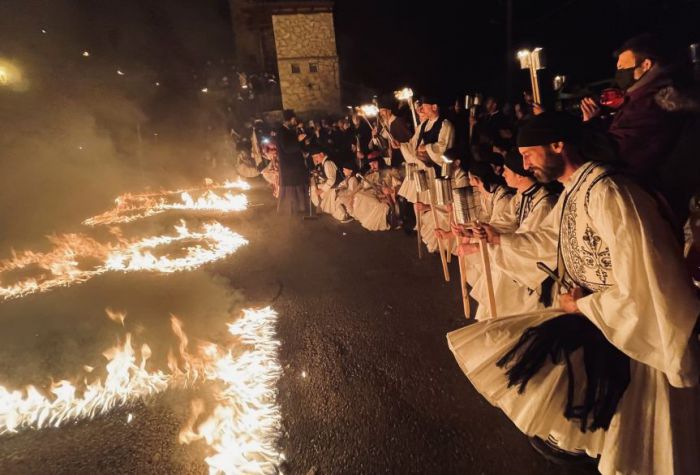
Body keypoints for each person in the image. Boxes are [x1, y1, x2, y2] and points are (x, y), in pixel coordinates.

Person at [448, 112, 700, 474]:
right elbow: (553, 243)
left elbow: (648, 281)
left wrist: (583, 303)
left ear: (558, 145)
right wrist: (496, 238)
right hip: (599, 320)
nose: (524, 164)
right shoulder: (575, 191)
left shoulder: (611, 193)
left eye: (530, 153)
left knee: (647, 445)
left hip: (636, 336)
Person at [463, 148, 560, 320]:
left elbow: (531, 241)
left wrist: (495, 239)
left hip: (534, 262)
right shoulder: (521, 195)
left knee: (499, 272)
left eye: (507, 170)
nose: (503, 174)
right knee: (494, 267)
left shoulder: (544, 203)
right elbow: (505, 221)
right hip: (517, 250)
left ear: (520, 175)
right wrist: (478, 231)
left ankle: (501, 321)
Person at [353, 152, 401, 231]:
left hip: (390, 195)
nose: (372, 166)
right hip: (377, 194)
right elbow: (364, 184)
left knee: (373, 202)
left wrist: (392, 189)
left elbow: (400, 184)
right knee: (360, 195)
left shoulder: (391, 170)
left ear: (380, 161)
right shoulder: (372, 171)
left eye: (374, 163)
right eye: (371, 165)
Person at [276, 110, 309, 215]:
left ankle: (300, 207)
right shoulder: (281, 131)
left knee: (298, 184)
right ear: (288, 120)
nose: (295, 121)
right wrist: (298, 140)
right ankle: (290, 209)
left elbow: (295, 145)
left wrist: (302, 145)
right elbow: (287, 148)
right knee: (291, 187)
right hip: (288, 166)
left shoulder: (290, 130)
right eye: (294, 119)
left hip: (295, 165)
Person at [309, 146, 352, 223]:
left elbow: (331, 179)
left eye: (316, 156)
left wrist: (322, 190)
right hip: (334, 185)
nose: (315, 159)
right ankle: (340, 213)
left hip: (338, 185)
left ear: (321, 154)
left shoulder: (327, 163)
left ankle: (343, 214)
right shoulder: (324, 163)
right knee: (315, 190)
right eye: (313, 157)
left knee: (319, 193)